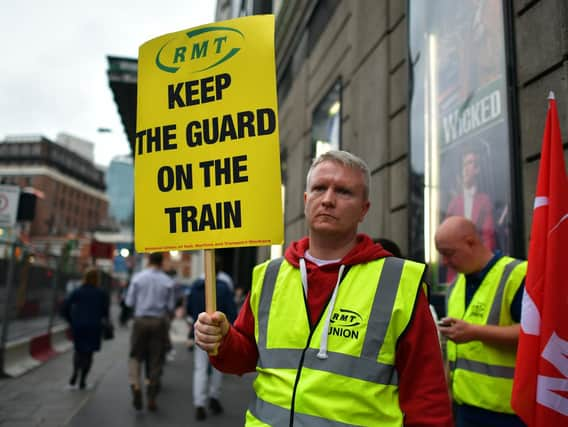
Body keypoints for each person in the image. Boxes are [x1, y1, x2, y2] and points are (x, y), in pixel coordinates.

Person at [194, 150, 453, 426]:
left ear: (364, 209)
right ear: (306, 200)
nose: (328, 200)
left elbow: (427, 398)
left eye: (343, 192)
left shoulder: (400, 282)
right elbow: (243, 357)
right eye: (319, 188)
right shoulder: (269, 275)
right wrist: (221, 340)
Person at [435, 216, 526, 427]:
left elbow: (537, 335)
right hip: (465, 407)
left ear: (470, 242)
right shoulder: (455, 286)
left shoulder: (516, 274)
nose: (444, 262)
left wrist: (475, 332)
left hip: (509, 412)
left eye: (449, 253)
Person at [186, 253, 237, 421]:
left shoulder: (195, 286)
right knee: (217, 368)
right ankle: (214, 397)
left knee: (199, 368)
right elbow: (232, 312)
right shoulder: (224, 287)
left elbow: (189, 308)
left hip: (199, 330)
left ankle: (199, 404)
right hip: (219, 333)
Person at [125, 252, 175, 412]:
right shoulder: (168, 281)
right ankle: (152, 394)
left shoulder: (138, 278)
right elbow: (171, 307)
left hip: (140, 320)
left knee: (135, 355)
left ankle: (135, 384)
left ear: (148, 261)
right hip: (159, 322)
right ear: (161, 263)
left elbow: (129, 301)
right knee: (156, 358)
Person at [61, 268, 109, 390]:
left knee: (78, 351)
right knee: (89, 354)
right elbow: (105, 312)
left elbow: (65, 306)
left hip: (79, 325)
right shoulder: (101, 293)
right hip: (94, 327)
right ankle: (83, 380)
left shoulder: (78, 291)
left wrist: (71, 320)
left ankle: (74, 373)